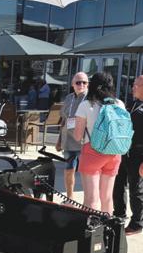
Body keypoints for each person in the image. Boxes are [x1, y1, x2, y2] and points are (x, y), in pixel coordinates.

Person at [73, 72, 125, 214]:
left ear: (92, 86)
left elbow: (77, 136)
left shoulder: (86, 105)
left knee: (91, 199)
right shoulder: (119, 104)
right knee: (107, 198)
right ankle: (107, 227)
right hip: (114, 152)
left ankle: (90, 227)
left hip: (92, 151)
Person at [113, 75, 143, 235]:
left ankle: (137, 223)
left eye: (136, 85)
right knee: (118, 185)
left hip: (138, 153)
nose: (133, 87)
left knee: (136, 189)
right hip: (124, 151)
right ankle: (118, 216)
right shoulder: (131, 104)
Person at [55, 72, 88, 199]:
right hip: (68, 141)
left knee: (86, 174)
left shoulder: (90, 99)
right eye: (78, 82)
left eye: (84, 82)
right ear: (72, 84)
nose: (81, 85)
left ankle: (88, 201)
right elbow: (64, 120)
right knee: (68, 170)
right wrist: (59, 140)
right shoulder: (69, 98)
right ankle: (70, 198)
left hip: (84, 142)